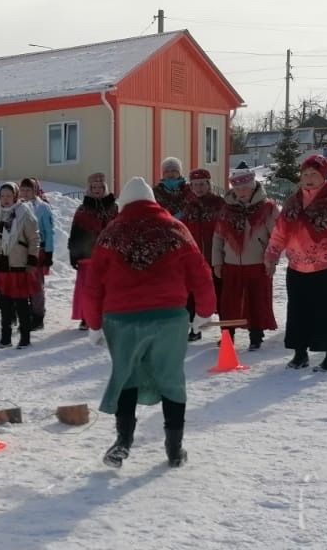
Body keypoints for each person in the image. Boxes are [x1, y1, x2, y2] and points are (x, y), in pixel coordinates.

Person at [81, 178, 216, 468]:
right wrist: (204, 311)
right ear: (154, 201)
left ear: (124, 204)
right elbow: (200, 272)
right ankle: (174, 449)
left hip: (121, 320)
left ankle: (123, 442)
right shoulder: (176, 229)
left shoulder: (110, 233)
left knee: (126, 376)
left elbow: (92, 285)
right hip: (169, 317)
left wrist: (93, 324)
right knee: (171, 379)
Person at [266, 155, 327, 370]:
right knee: (299, 312)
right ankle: (300, 353)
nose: (309, 179)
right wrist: (272, 254)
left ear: (324, 176)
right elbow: (280, 231)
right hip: (298, 267)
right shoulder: (294, 201)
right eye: (305, 174)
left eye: (314, 175)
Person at [212, 168, 279, 350]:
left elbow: (277, 237)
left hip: (258, 264)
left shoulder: (267, 208)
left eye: (245, 188)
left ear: (253, 187)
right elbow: (218, 238)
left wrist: (272, 260)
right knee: (229, 302)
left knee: (256, 300)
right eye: (237, 188)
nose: (241, 192)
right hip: (231, 265)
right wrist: (217, 262)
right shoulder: (226, 210)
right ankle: (227, 335)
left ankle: (255, 336)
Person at [0, 182, 41, 348]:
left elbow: (34, 239)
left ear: (15, 196)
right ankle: (5, 338)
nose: (5, 199)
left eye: (8, 195)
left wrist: (32, 260)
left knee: (21, 304)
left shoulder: (24, 214)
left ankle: (25, 338)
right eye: (2, 196)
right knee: (4, 305)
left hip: (18, 266)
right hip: (1, 266)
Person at [178, 169, 226, 340]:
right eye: (195, 185)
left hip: (216, 258)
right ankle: (194, 329)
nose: (198, 188)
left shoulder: (220, 204)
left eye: (202, 184)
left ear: (209, 184)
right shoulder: (188, 206)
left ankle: (226, 331)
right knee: (192, 295)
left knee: (220, 295)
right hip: (194, 260)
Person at [68, 173, 119, 330]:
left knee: (107, 287)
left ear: (105, 188)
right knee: (88, 288)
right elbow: (75, 233)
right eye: (94, 187)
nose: (97, 190)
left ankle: (107, 314)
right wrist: (74, 254)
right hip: (87, 256)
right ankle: (86, 316)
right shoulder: (82, 209)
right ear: (89, 189)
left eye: (100, 187)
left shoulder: (114, 208)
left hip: (108, 255)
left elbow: (118, 230)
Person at [19, 177, 56, 330]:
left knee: (36, 286)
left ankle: (38, 316)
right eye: (23, 189)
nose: (25, 193)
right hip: (20, 252)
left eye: (29, 190)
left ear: (35, 191)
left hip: (37, 251)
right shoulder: (17, 207)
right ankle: (25, 314)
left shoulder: (43, 208)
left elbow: (49, 231)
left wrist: (49, 253)